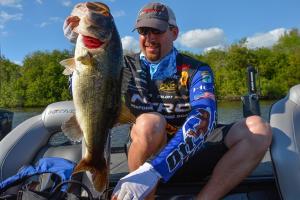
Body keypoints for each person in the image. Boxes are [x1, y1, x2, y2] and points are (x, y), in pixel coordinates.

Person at [64, 2, 272, 200]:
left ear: (174, 33)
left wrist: (156, 169)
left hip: (191, 151)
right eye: (144, 31)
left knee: (258, 129)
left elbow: (205, 117)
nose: (150, 37)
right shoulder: (122, 65)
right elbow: (90, 84)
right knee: (149, 123)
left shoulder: (197, 69)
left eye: (157, 30)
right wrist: (78, 32)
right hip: (145, 157)